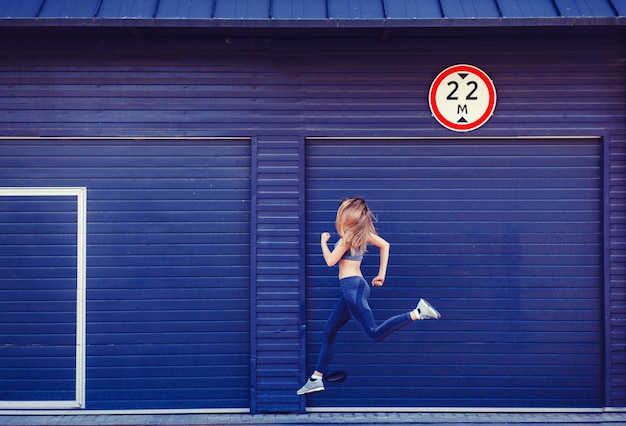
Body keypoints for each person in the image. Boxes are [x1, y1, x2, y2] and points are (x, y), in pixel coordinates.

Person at [297, 197, 441, 395]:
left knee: (374, 333)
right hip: (354, 288)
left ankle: (417, 313)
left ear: (347, 215)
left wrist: (323, 242)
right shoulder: (362, 235)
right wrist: (381, 274)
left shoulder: (347, 238)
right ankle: (316, 378)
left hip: (352, 289)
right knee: (329, 331)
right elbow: (385, 245)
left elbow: (330, 261)